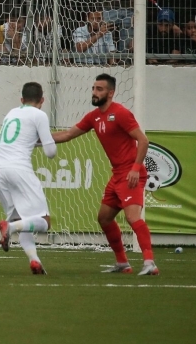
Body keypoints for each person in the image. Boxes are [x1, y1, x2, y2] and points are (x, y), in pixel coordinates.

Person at [53, 74, 159, 276]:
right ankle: (122, 263)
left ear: (110, 93)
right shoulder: (93, 116)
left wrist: (136, 169)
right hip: (116, 175)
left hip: (130, 174)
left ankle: (150, 262)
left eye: (99, 89)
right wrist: (37, 140)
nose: (94, 92)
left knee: (132, 217)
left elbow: (143, 141)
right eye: (93, 88)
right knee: (104, 218)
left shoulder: (120, 113)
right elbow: (67, 135)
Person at [0, 82, 56, 275]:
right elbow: (50, 152)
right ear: (42, 100)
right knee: (44, 221)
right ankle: (9, 227)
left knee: (23, 219)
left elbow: (19, 140)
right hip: (18, 169)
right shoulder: (39, 114)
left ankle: (35, 261)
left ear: (21, 100)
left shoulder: (11, 113)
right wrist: (47, 140)